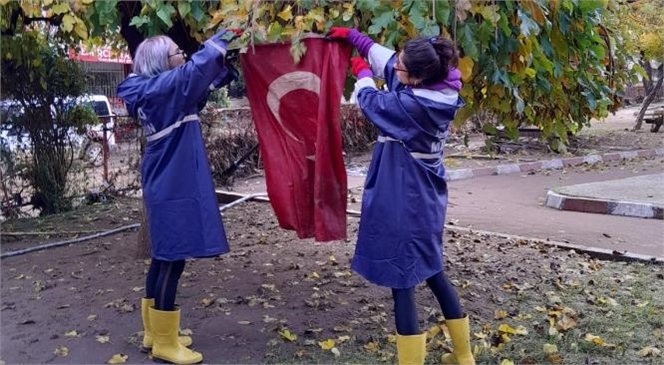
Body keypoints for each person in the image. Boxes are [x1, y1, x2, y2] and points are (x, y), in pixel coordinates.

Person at [327, 27, 475, 365]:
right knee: (434, 270)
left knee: (402, 282)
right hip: (425, 201)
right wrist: (355, 37)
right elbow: (389, 61)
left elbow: (372, 103)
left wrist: (362, 75)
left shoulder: (415, 106)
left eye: (402, 66)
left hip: (404, 197)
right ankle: (464, 356)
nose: (396, 67)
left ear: (419, 77)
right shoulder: (438, 85)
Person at [117, 29, 239, 364]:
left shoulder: (157, 91)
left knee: (163, 256)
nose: (183, 57)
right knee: (173, 257)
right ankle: (165, 344)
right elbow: (189, 77)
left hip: (168, 180)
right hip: (171, 182)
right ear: (160, 64)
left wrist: (224, 64)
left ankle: (154, 333)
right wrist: (220, 40)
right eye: (177, 54)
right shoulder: (161, 89)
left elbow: (197, 85)